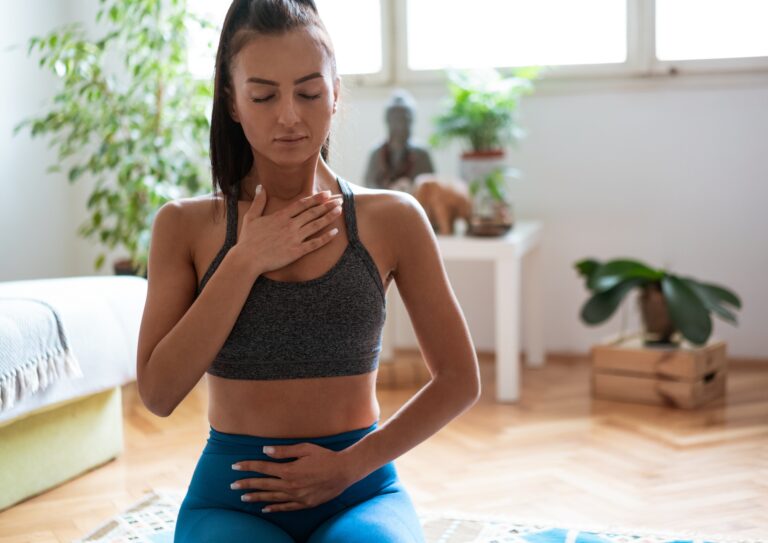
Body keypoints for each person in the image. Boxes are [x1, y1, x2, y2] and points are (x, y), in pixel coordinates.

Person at [136, 1, 480, 541]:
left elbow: (460, 380)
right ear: (232, 101)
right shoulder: (185, 226)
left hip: (360, 489)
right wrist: (245, 259)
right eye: (264, 96)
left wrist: (348, 467)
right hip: (232, 499)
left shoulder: (393, 218)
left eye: (309, 92)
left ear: (336, 93)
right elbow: (158, 394)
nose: (289, 116)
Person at [363, 90, 435, 192]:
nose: (401, 126)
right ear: (388, 121)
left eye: (405, 120)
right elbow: (368, 187)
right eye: (396, 120)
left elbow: (431, 188)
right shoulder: (377, 153)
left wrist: (411, 187)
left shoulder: (421, 154)